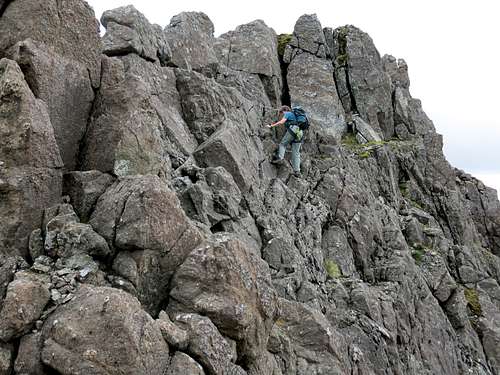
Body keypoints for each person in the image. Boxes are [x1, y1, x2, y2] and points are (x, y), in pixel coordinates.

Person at [268, 105, 303, 177]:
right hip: (300, 133)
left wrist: (272, 126)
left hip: (293, 129)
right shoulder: (296, 116)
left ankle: (280, 158)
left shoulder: (288, 114)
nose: (281, 115)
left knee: (282, 144)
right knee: (296, 152)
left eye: (281, 113)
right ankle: (297, 171)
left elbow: (281, 122)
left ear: (283, 111)